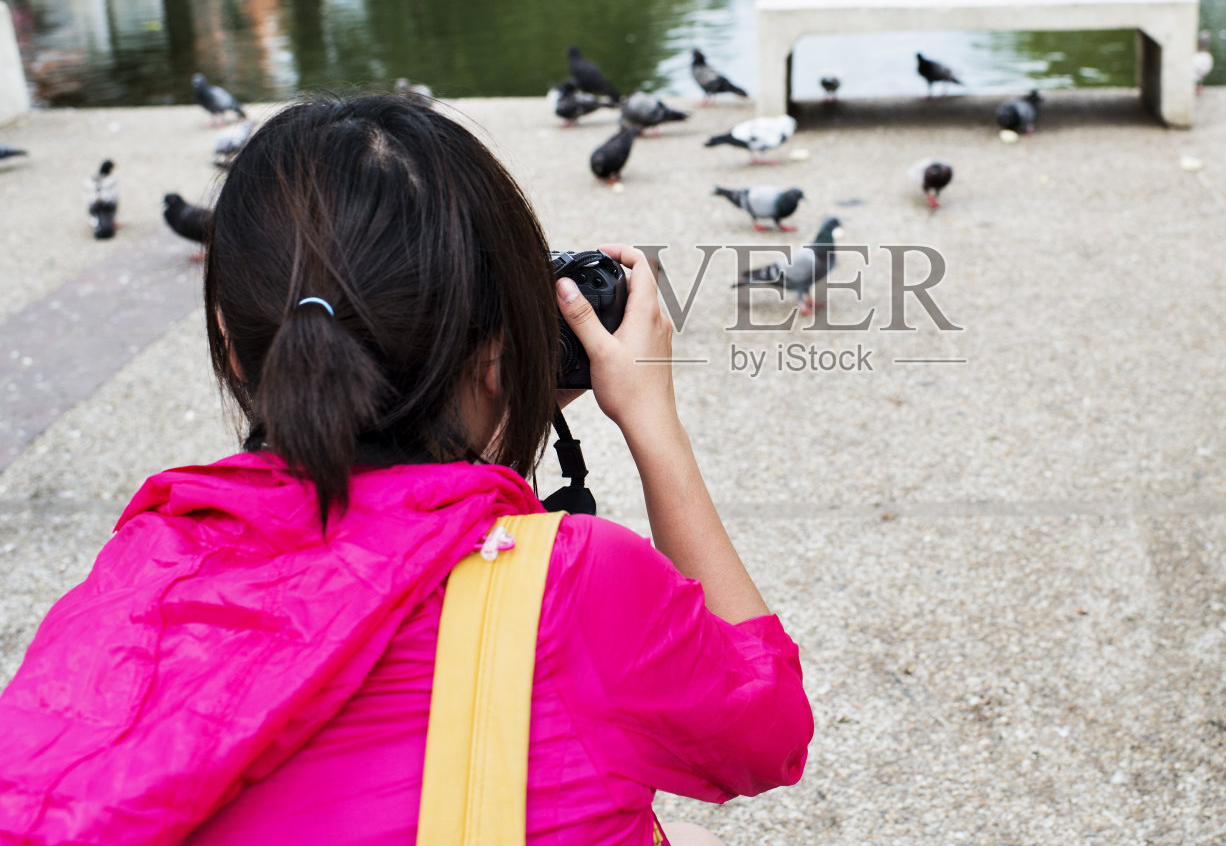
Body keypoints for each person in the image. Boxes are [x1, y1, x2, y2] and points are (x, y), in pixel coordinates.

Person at [0, 96, 813, 845]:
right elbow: (768, 734)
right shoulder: (569, 586)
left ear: (233, 342)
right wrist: (651, 420)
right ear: (498, 350)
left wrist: (498, 389)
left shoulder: (139, 570)